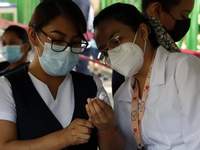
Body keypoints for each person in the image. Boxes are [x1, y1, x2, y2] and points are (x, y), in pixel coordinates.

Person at [0, 0, 124, 150]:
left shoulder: (91, 87)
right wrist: (63, 138)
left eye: (76, 42)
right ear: (33, 36)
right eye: (57, 40)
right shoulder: (7, 87)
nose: (67, 49)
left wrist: (107, 128)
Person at [93, 2, 200, 150]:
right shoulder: (121, 95)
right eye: (105, 52)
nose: (111, 53)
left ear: (143, 32)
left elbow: (197, 139)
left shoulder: (183, 68)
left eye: (116, 41)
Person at [112, 0, 195, 95]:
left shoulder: (138, 41)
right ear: (157, 10)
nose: (186, 21)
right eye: (183, 15)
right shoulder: (142, 48)